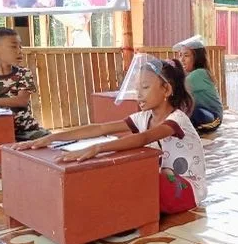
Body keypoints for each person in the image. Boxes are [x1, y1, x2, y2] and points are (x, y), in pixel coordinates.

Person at [12, 55, 207, 215]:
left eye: (145, 88)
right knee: (122, 178)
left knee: (135, 178)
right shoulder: (143, 117)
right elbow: (100, 128)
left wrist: (97, 148)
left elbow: (143, 138)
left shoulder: (177, 119)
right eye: (137, 88)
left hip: (186, 189)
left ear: (166, 89)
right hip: (161, 180)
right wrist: (52, 138)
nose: (139, 94)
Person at [174, 35, 223, 134]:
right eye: (180, 55)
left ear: (197, 58)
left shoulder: (200, 73)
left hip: (213, 118)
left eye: (186, 55)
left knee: (192, 112)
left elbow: (175, 88)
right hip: (200, 115)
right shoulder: (187, 74)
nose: (182, 59)